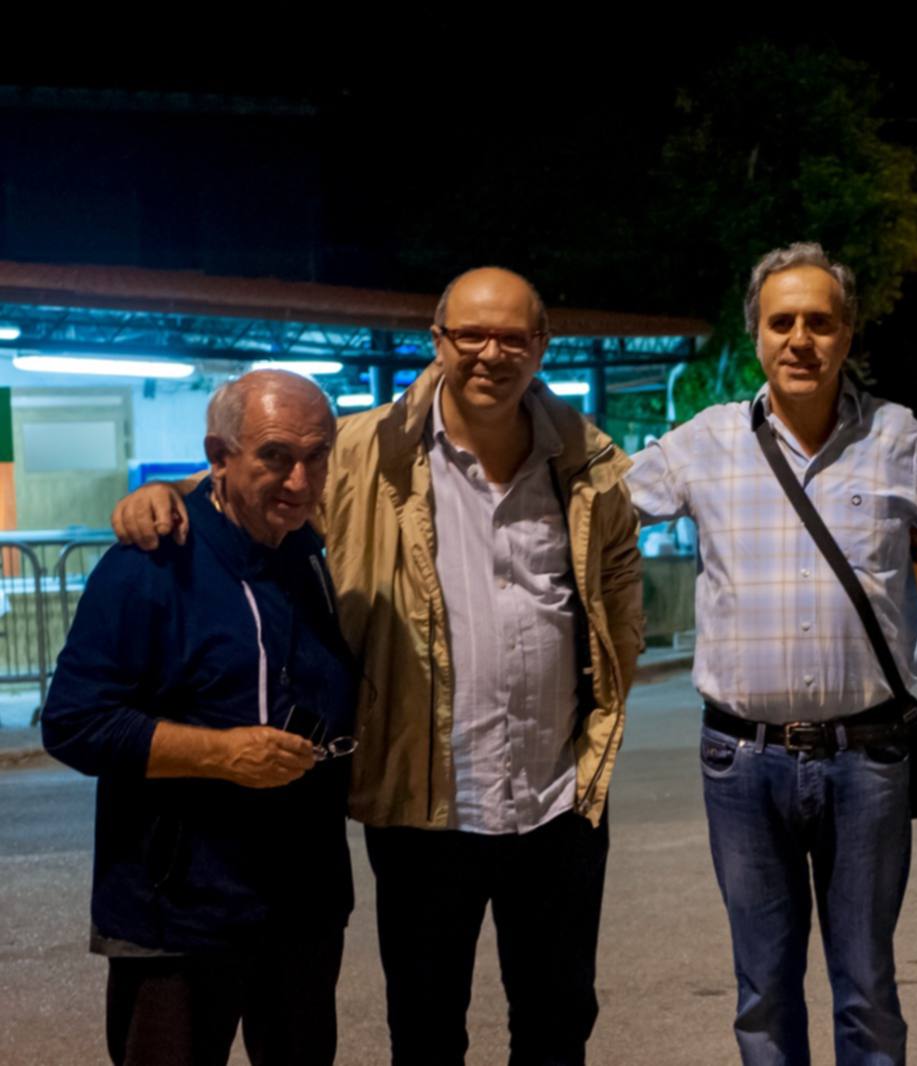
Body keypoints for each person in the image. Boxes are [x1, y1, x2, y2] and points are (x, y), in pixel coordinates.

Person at [110, 266, 644, 1066]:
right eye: (470, 334)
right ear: (438, 341)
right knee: (426, 1033)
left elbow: (618, 608)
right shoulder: (366, 453)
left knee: (558, 1024)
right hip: (424, 808)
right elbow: (256, 481)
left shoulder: (590, 465)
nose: (490, 353)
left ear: (541, 346)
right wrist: (164, 497)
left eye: (511, 337)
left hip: (557, 804)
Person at [625, 242, 917, 1066]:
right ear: (758, 335)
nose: (801, 339)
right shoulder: (705, 442)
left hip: (868, 758)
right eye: (782, 322)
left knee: (867, 988)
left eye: (820, 322)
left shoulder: (897, 437)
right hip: (741, 762)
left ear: (848, 334)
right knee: (762, 992)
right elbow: (601, 507)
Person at [44, 370, 354, 1066]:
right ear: (218, 456)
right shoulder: (150, 566)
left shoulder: (307, 551)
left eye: (317, 457)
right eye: (275, 456)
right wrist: (219, 754)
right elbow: (73, 722)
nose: (301, 481)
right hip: (179, 909)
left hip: (302, 901)